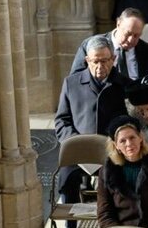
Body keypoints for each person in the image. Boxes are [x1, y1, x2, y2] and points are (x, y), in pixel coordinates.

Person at [54, 35, 129, 206]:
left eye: (105, 61)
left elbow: (129, 121)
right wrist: (76, 143)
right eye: (95, 61)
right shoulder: (71, 83)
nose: (100, 66)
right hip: (78, 149)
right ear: (87, 60)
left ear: (114, 59)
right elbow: (61, 121)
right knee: (67, 179)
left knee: (119, 179)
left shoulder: (124, 85)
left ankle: (112, 218)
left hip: (112, 150)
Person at [96, 115, 148, 228]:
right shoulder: (106, 171)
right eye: (123, 141)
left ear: (140, 138)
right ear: (116, 146)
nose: (129, 144)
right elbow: (104, 213)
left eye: (132, 138)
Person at [71, 8, 148, 81]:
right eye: (128, 33)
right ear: (118, 24)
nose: (131, 40)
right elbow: (76, 79)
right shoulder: (91, 46)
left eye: (136, 35)